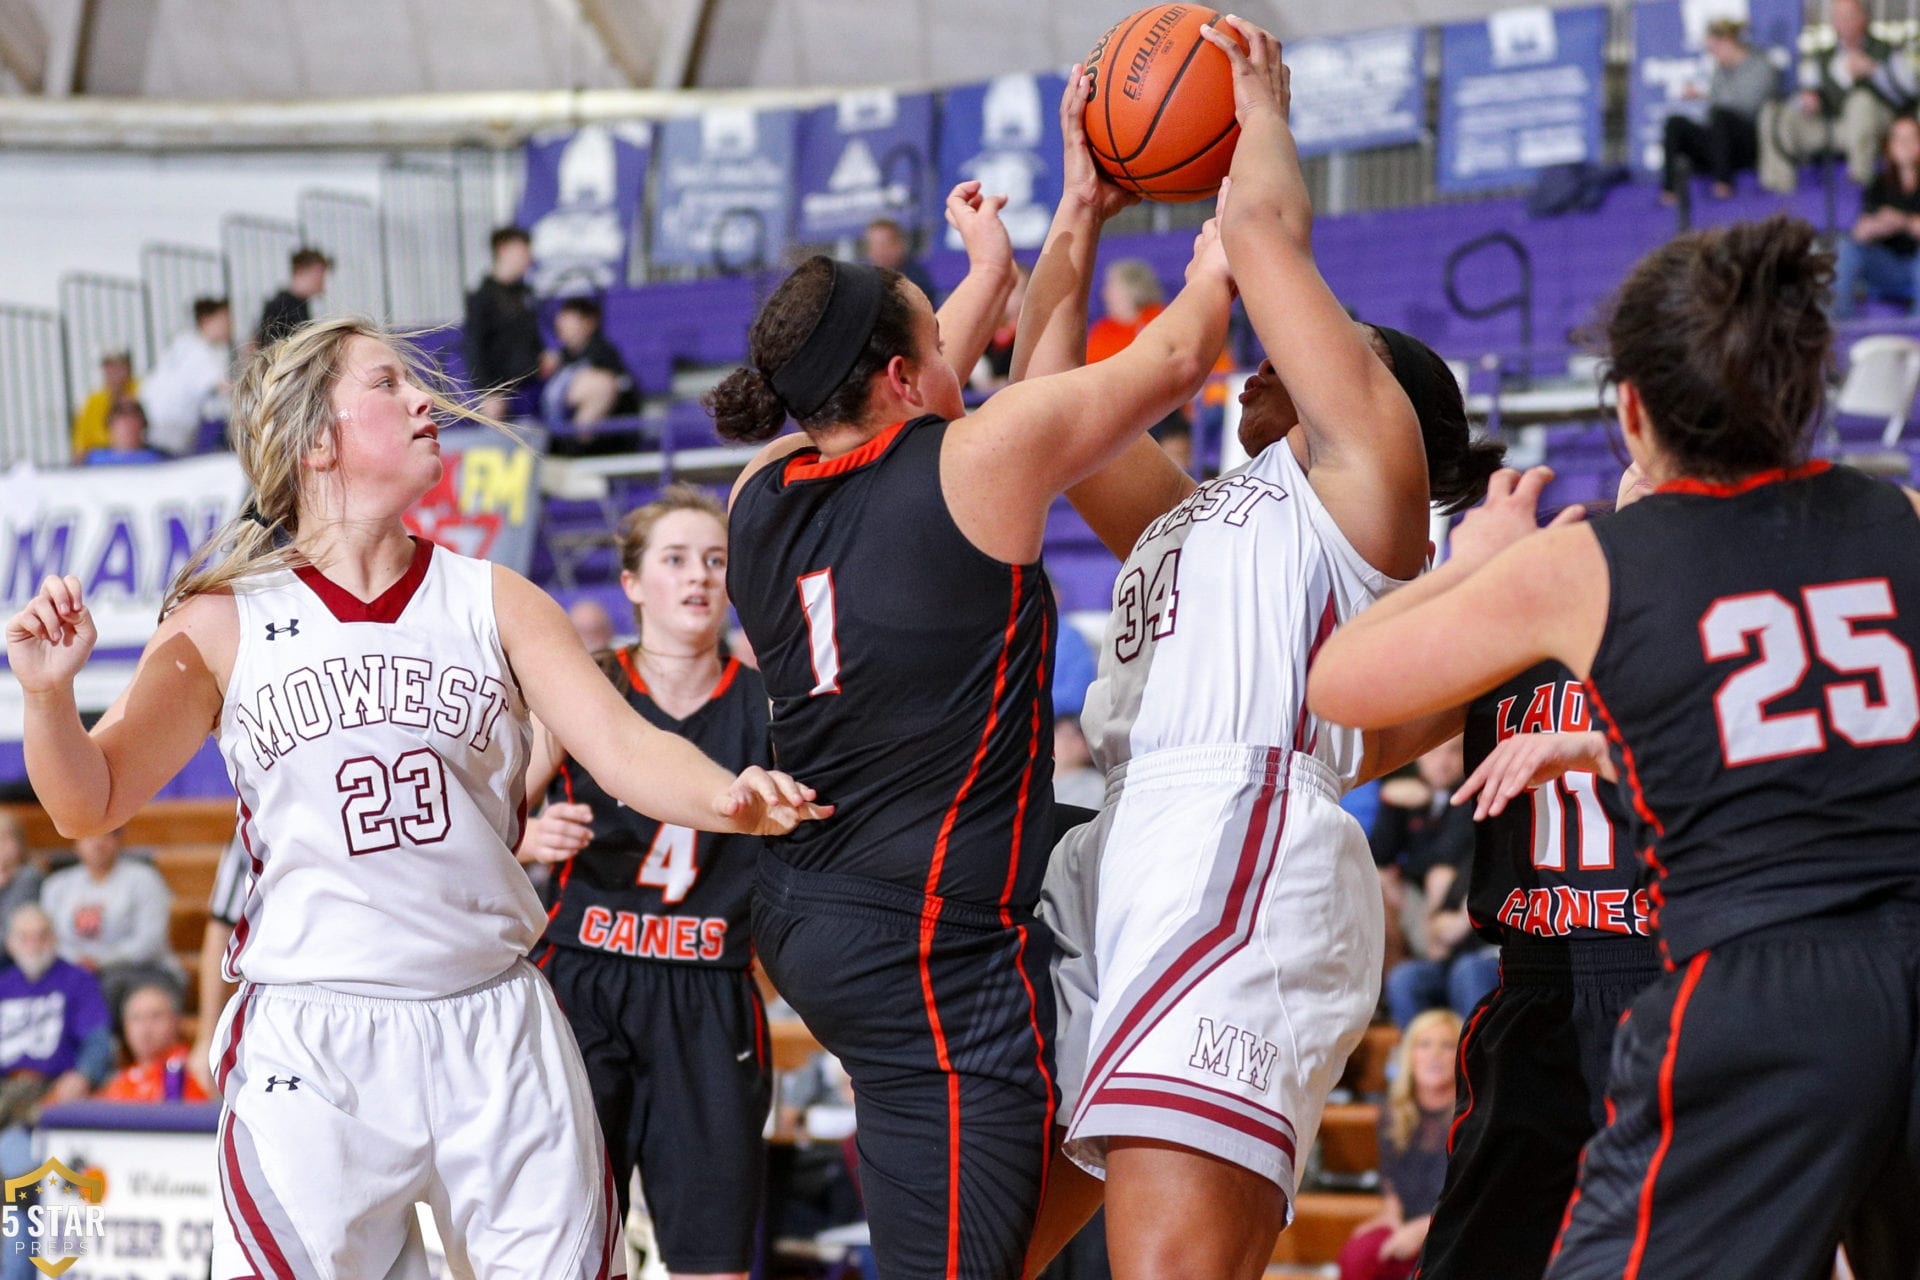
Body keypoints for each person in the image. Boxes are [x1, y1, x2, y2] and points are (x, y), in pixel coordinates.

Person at [5, 314, 827, 1279]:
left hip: (496, 1018)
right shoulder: (224, 620)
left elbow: (625, 747)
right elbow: (87, 804)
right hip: (317, 1039)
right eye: (389, 386)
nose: (425, 400)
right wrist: (49, 696)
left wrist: (733, 793)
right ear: (319, 439)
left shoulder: (497, 598)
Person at [1306, 214, 1920, 1279]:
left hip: (1761, 982)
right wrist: (1611, 749)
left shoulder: (1596, 558)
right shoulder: (1895, 512)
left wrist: (1478, 556)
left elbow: (1338, 681)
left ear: (1631, 411)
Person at [1020, 22, 1502, 1279]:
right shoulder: (1195, 512)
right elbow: (1042, 397)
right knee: (978, 1233)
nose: (1282, 339)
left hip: (1239, 839)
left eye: (1322, 333)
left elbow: (1263, 240)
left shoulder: (1365, 484)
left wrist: (1259, 109)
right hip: (1125, 850)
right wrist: (1080, 209)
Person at [716, 157, 1232, 1278]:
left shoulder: (758, 487)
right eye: (943, 341)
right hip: (922, 941)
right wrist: (1235, 239)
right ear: (904, 375)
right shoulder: (978, 462)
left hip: (811, 905)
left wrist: (1032, 246)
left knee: (1054, 1163)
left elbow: (879, 387)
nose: (961, 354)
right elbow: (1181, 354)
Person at [519, 486, 774, 1280]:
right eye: (675, 559)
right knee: (566, 1251)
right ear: (632, 584)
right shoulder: (583, 690)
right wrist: (522, 834)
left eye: (714, 561)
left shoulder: (769, 710)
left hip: (709, 992)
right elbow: (477, 813)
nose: (698, 577)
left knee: (712, 1259)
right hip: (583, 982)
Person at [0, 904, 111, 1279]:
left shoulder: (77, 980)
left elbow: (97, 1040)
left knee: (23, 1182)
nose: (34, 944)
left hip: (48, 1099)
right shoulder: (3, 984)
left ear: (55, 938)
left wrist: (83, 1075)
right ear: (10, 944)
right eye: (24, 937)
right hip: (5, 1095)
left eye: (42, 935)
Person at [1378, 740, 1499, 1027]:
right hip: (1436, 927)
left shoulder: (1474, 798)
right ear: (1418, 759)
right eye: (1433, 753)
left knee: (1467, 972)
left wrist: (1450, 920)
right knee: (1404, 979)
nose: (1442, 762)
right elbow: (1378, 853)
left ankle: (1473, 1066)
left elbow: (1442, 863)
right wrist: (1388, 798)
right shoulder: (1408, 797)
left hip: (1479, 936)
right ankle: (1412, 1059)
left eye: (1453, 751)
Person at [1335, 1009, 1460, 1280]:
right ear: (1410, 1055)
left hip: (1458, 1231)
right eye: (1424, 1044)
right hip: (1408, 1225)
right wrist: (1389, 1217)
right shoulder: (1394, 1114)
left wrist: (1423, 1229)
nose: (1434, 1054)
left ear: (1462, 1056)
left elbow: (1474, 1199)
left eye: (1447, 1045)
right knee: (1359, 1254)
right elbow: (1391, 1186)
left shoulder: (1472, 1118)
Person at [1760, 0, 1917, 194]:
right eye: (1839, 17)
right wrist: (1807, 98)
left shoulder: (1887, 50)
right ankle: (1778, 188)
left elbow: (1910, 91)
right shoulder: (1821, 56)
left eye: (1850, 16)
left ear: (1864, 18)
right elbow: (1802, 94)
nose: (1845, 22)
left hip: (1879, 126)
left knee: (1860, 101)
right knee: (1773, 112)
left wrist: (1875, 72)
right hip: (1835, 126)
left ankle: (1860, 181)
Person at [39, 828, 181, 1011]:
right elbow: (48, 937)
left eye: (106, 835)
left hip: (142, 971)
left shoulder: (144, 879)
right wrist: (78, 962)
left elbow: (150, 941)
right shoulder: (57, 885)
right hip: (73, 971)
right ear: (76, 844)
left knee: (107, 987)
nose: (98, 843)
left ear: (120, 840)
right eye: (88, 837)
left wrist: (99, 962)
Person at [1661, 20, 1777, 202]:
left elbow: (1750, 107)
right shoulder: (1719, 71)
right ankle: (1670, 189)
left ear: (1728, 41)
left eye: (1714, 48)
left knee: (1721, 117)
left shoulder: (1761, 65)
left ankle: (1723, 183)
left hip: (1748, 141)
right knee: (1675, 123)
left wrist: (1705, 96)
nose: (1712, 54)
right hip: (1720, 142)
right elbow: (1714, 109)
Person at [1834, 114, 1920, 317]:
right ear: (1889, 145)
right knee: (1845, 247)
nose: (1903, 145)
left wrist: (1901, 221)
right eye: (1898, 139)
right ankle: (1841, 323)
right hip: (1887, 266)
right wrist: (1883, 223)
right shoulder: (1879, 184)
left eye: (1910, 139)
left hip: (1916, 264)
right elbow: (1860, 232)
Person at [464, 226, 547, 420]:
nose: (528, 256)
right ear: (503, 250)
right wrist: (488, 392)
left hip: (534, 383)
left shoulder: (526, 294)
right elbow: (474, 346)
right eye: (522, 249)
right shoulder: (482, 297)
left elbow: (533, 336)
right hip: (502, 391)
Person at [142, 296, 233, 455]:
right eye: (224, 320)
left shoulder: (183, 342)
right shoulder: (203, 352)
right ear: (206, 320)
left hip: (150, 420)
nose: (230, 326)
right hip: (171, 428)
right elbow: (223, 387)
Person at [542, 296, 641, 438]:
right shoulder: (561, 356)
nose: (563, 327)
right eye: (561, 321)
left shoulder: (603, 352)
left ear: (589, 322)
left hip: (610, 436)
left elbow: (622, 391)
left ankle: (573, 445)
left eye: (569, 321)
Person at [97, 980, 210, 1102]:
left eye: (156, 1016)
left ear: (176, 1021)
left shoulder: (196, 1070)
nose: (145, 1027)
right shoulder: (119, 1081)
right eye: (136, 1018)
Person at [1085, 259, 1164, 364]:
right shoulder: (1103, 329)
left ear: (1132, 289)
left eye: (1111, 287)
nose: (1104, 294)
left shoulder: (1159, 320)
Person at [69, 350, 138, 463]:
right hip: (101, 462)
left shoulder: (141, 392)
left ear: (128, 368)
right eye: (109, 366)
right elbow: (79, 448)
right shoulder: (93, 401)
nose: (114, 372)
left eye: (119, 365)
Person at [254, 247, 329, 349]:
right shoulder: (280, 306)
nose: (322, 283)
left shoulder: (302, 304)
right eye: (318, 276)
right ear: (300, 271)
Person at [864, 217, 937, 302]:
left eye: (885, 244)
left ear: (900, 245)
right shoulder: (864, 279)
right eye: (874, 245)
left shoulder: (915, 280)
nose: (880, 251)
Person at [80, 399, 169, 466]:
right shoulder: (90, 458)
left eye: (133, 419)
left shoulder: (160, 459)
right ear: (109, 426)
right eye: (122, 418)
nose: (127, 425)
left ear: (143, 426)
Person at [0, 816, 41, 928]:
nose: (1, 845)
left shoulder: (29, 875)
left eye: (6, 838)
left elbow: (11, 928)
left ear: (20, 844)